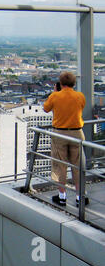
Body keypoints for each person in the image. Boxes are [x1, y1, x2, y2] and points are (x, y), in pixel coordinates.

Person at [43, 71, 89, 207]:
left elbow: (46, 109)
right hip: (77, 133)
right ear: (74, 83)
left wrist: (55, 93)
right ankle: (80, 197)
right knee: (78, 166)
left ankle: (62, 196)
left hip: (60, 134)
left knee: (60, 166)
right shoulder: (80, 96)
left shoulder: (55, 96)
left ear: (60, 83)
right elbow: (81, 108)